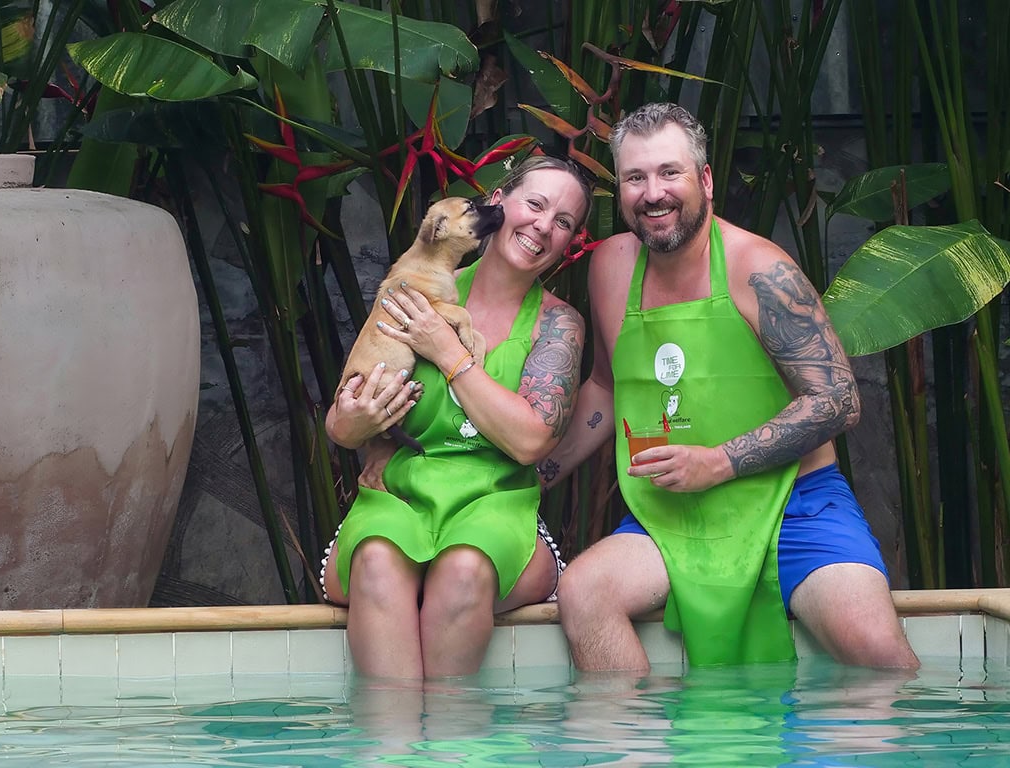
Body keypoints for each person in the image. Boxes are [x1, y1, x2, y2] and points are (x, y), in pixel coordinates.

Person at [540, 103, 920, 670]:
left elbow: (838, 400)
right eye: (635, 178)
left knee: (877, 651)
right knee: (584, 593)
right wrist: (532, 478)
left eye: (670, 172)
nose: (653, 193)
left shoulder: (760, 267)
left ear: (706, 180)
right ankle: (638, 748)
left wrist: (720, 461)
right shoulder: (610, 266)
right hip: (673, 512)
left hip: (795, 507)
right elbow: (605, 385)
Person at [321, 155, 593, 679]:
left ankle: (454, 747)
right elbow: (343, 423)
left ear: (569, 242)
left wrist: (448, 351)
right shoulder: (416, 288)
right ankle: (390, 751)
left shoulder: (558, 325)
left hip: (494, 503)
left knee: (465, 567)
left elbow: (532, 441)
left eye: (563, 222)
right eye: (535, 204)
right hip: (401, 493)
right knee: (377, 561)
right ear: (498, 203)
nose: (543, 225)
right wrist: (356, 423)